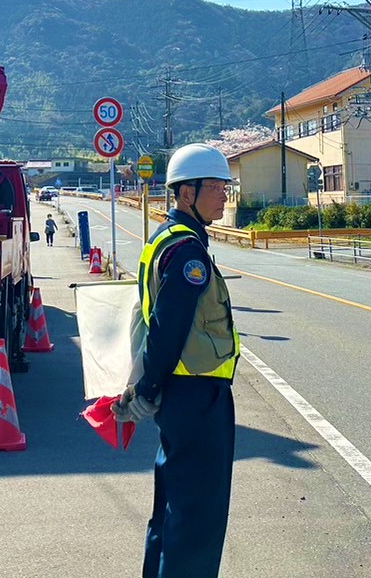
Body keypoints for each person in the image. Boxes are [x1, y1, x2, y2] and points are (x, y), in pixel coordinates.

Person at [115, 143, 239, 578]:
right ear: (187, 193)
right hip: (196, 396)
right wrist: (145, 389)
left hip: (180, 396)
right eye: (217, 187)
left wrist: (148, 388)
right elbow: (169, 328)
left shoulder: (166, 238)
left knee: (171, 513)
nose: (225, 194)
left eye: (227, 186)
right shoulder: (188, 252)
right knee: (197, 521)